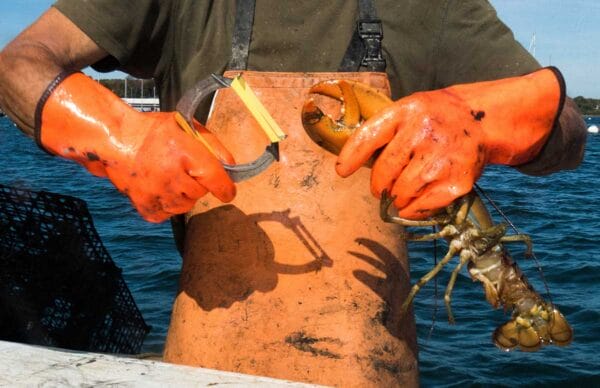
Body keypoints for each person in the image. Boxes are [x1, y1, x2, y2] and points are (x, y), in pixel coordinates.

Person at [0, 1, 586, 386]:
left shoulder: (427, 5)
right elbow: (18, 64)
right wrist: (119, 139)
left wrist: (479, 120)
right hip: (203, 367)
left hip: (371, 370)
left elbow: (567, 129)